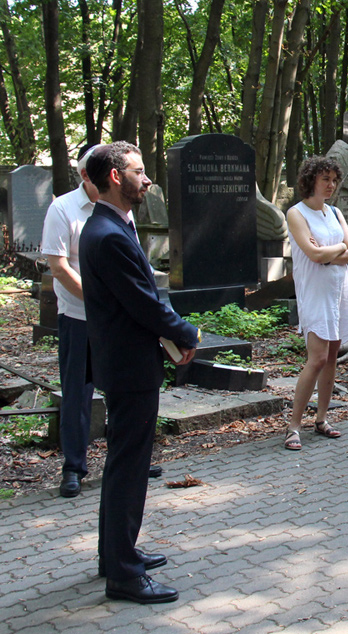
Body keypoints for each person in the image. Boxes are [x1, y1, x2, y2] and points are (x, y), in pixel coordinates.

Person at [80, 142, 200, 603]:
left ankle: (115, 554)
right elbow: (142, 302)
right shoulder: (107, 234)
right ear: (115, 177)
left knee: (123, 464)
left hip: (125, 360)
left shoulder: (113, 225)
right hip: (129, 365)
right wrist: (186, 333)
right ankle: (123, 575)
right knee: (129, 467)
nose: (147, 179)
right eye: (139, 171)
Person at [283, 156, 348, 451]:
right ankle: (293, 426)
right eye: (325, 179)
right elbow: (313, 256)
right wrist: (335, 249)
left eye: (334, 180)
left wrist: (331, 249)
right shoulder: (296, 214)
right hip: (314, 290)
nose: (330, 185)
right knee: (316, 358)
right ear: (311, 180)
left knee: (331, 356)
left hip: (340, 287)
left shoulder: (336, 213)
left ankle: (322, 419)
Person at [40, 144, 100, 498]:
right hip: (78, 317)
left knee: (125, 388)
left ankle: (130, 458)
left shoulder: (119, 207)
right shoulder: (62, 209)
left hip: (115, 318)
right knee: (78, 393)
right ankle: (73, 467)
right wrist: (99, 301)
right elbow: (60, 268)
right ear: (84, 176)